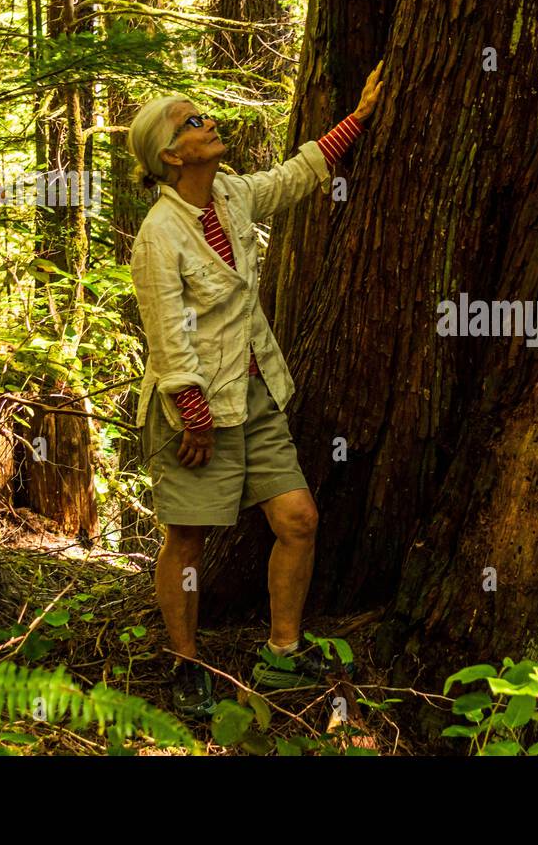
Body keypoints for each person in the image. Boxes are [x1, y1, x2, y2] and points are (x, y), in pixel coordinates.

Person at [126, 63, 385, 717]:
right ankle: (184, 664)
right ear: (169, 153)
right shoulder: (160, 234)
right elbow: (166, 330)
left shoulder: (232, 196)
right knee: (187, 538)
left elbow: (292, 178)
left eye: (203, 115)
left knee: (298, 520)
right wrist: (193, 413)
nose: (207, 122)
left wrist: (358, 118)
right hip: (194, 414)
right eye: (192, 121)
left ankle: (282, 652)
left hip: (255, 393)